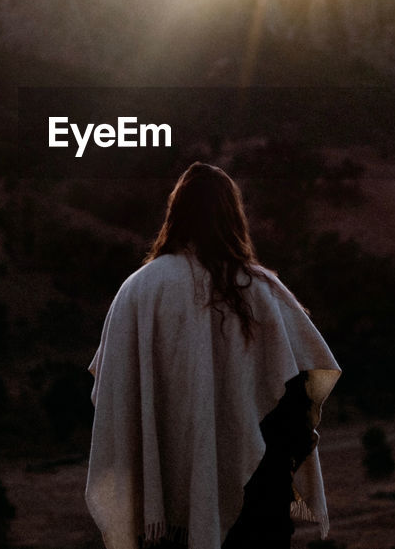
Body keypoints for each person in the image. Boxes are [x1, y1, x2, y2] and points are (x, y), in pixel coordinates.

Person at [86, 162, 340, 549]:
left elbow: (111, 398)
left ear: (177, 214)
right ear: (232, 217)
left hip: (165, 518)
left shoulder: (137, 291)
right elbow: (296, 401)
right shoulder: (261, 290)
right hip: (255, 508)